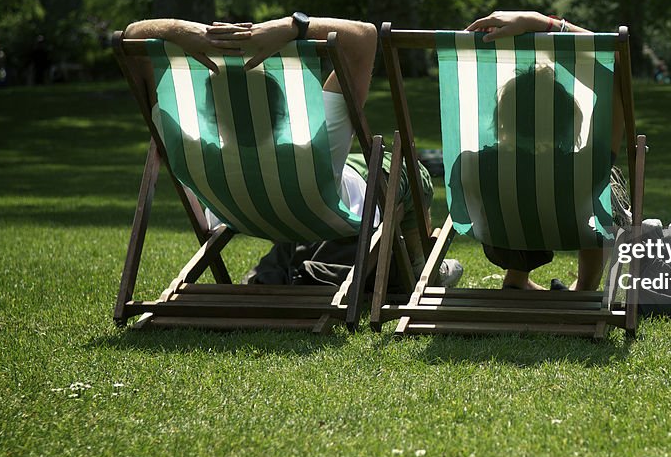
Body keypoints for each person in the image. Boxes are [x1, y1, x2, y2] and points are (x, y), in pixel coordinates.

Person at [122, 15, 454, 284]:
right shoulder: (312, 145)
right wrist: (293, 26)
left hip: (236, 215)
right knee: (410, 171)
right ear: (283, 112)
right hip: (324, 212)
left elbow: (130, 37)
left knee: (354, 164)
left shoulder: (193, 144)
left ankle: (289, 260)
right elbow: (364, 36)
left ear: (210, 113)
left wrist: (188, 32)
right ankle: (421, 266)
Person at [463, 10, 630, 292]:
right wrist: (547, 25)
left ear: (502, 121)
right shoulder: (585, 168)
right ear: (569, 123)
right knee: (607, 183)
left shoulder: (474, 163)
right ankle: (585, 287)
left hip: (502, 245)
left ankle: (516, 279)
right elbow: (617, 71)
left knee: (518, 190)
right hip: (571, 230)